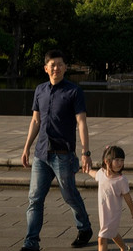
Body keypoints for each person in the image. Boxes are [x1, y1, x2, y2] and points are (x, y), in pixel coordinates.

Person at [20, 49, 93, 251]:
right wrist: (26, 148)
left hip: (63, 155)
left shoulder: (74, 91)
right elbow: (35, 120)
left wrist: (86, 153)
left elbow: (81, 123)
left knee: (70, 195)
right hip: (41, 155)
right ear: (46, 68)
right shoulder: (40, 90)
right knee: (34, 198)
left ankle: (84, 227)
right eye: (52, 64)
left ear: (65, 68)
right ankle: (31, 242)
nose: (56, 68)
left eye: (60, 64)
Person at [87, 145, 133, 251]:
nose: (120, 163)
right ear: (107, 161)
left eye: (122, 160)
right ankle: (124, 248)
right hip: (103, 213)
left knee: (102, 238)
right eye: (117, 160)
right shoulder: (101, 174)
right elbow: (94, 174)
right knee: (113, 233)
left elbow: (127, 197)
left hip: (113, 213)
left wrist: (132, 211)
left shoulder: (121, 180)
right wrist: (87, 170)